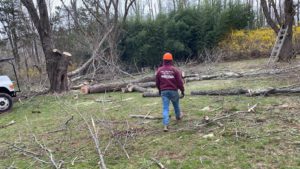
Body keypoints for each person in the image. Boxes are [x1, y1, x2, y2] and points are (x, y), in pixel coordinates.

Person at [156, 52, 184, 132]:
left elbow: (157, 83)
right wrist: (182, 90)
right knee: (176, 106)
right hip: (174, 91)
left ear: (163, 60)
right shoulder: (175, 70)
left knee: (165, 108)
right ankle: (178, 117)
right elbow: (180, 82)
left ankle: (165, 125)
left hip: (164, 92)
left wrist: (159, 90)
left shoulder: (159, 70)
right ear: (171, 60)